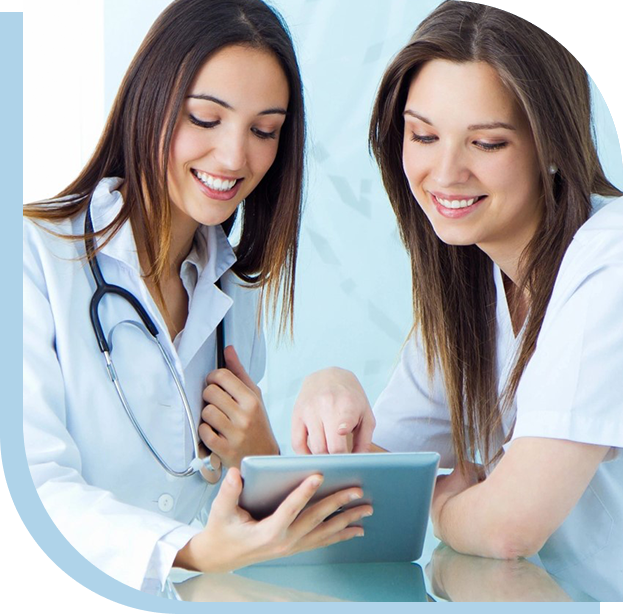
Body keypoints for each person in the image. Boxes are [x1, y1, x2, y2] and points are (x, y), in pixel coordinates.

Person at [23, 0, 371, 594]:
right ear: (149, 101)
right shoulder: (32, 256)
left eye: (264, 130)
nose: (236, 158)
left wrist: (257, 457)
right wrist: (189, 549)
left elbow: (235, 521)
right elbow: (35, 489)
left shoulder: (236, 293)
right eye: (205, 119)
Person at [291, 0, 623, 600]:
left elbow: (509, 527)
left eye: (487, 143)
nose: (444, 173)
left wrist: (443, 507)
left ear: (553, 144)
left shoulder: (612, 258)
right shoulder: (470, 284)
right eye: (423, 135)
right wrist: (329, 385)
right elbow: (370, 489)